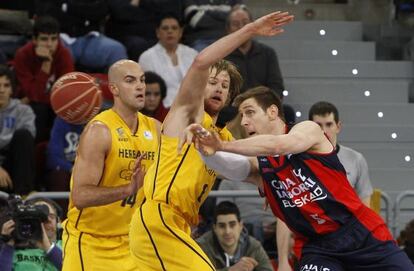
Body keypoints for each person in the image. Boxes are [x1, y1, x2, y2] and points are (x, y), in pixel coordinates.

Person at [129, 11, 294, 271]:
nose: (218, 87)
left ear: (229, 97)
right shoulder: (188, 113)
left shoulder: (224, 139)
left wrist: (270, 186)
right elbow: (201, 62)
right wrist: (250, 30)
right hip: (159, 217)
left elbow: (253, 170)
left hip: (180, 225)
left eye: (225, 85)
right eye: (213, 82)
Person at [185, 86, 414, 271]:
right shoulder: (262, 166)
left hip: (359, 234)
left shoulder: (308, 130)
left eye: (250, 112)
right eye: (242, 115)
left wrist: (223, 144)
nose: (244, 122)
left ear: (273, 112)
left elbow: (280, 145)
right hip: (318, 246)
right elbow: (232, 168)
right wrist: (205, 149)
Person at [61, 59, 161, 271]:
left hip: (133, 244)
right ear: (114, 88)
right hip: (90, 243)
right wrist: (127, 189)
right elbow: (80, 196)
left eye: (142, 80)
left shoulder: (156, 130)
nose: (140, 86)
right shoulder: (99, 131)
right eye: (130, 80)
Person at [276, 101, 376, 271]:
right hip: (312, 242)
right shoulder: (294, 160)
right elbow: (284, 215)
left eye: (329, 124)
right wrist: (283, 260)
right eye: (318, 125)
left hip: (349, 241)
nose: (324, 130)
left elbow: (365, 210)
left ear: (338, 126)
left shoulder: (356, 160)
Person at [14, 16, 74, 142]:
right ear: (34, 40)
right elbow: (35, 95)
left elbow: (65, 93)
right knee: (38, 108)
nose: (50, 44)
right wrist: (46, 64)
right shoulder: (22, 55)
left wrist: (35, 97)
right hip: (31, 106)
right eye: (44, 39)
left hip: (54, 105)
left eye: (54, 39)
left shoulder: (64, 55)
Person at [139, 14, 198, 107]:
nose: (170, 31)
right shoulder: (147, 57)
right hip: (163, 108)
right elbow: (149, 91)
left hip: (193, 106)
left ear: (181, 32)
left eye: (174, 28)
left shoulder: (192, 54)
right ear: (158, 32)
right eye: (165, 28)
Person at [197, 201, 273, 271]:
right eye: (222, 226)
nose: (227, 231)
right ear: (215, 228)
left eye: (232, 225)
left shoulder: (253, 246)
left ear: (240, 226)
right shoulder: (201, 247)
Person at [0, 65, 36, 195]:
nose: (1, 90)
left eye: (6, 85)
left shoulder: (23, 110)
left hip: (13, 165)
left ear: (12, 89)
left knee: (23, 136)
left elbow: (28, 137)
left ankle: (23, 197)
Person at [0, 196, 63, 271]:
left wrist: (48, 247)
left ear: (58, 221)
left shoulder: (67, 245)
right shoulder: (11, 247)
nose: (46, 221)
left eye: (51, 216)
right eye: (38, 218)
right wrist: (8, 244)